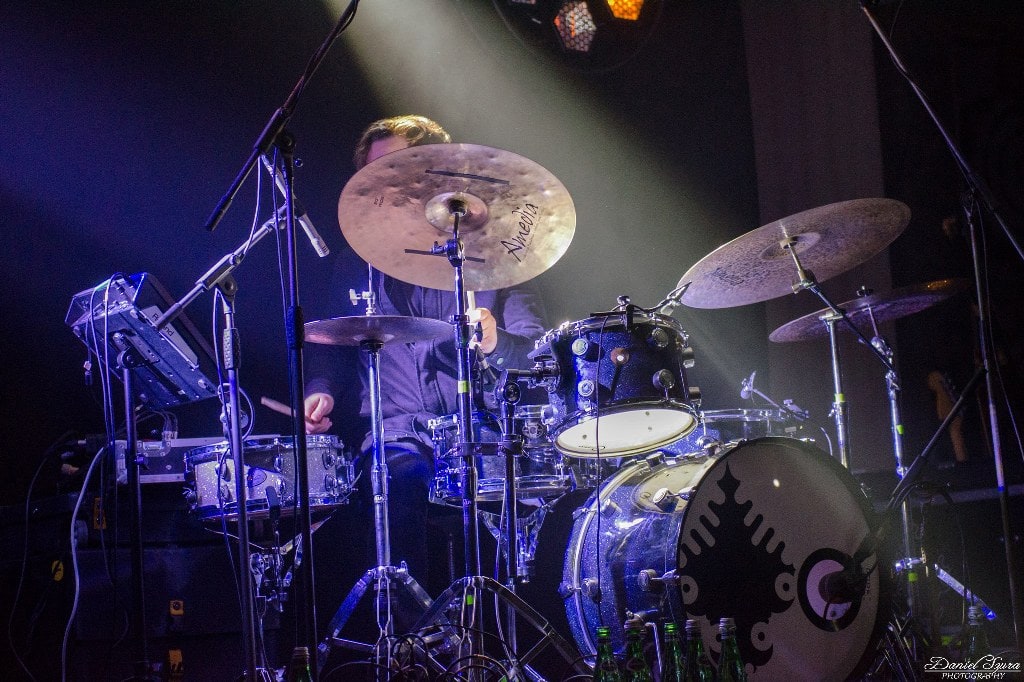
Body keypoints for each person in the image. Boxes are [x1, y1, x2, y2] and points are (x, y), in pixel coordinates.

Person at [303, 115, 548, 588]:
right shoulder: (357, 264)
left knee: (510, 505)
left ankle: (500, 619)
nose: (387, 183)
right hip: (397, 434)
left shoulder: (495, 255)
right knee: (395, 482)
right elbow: (332, 348)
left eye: (399, 167)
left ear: (439, 170)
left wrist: (496, 341)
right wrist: (321, 390)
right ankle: (412, 627)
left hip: (485, 430)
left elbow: (537, 356)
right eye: (375, 174)